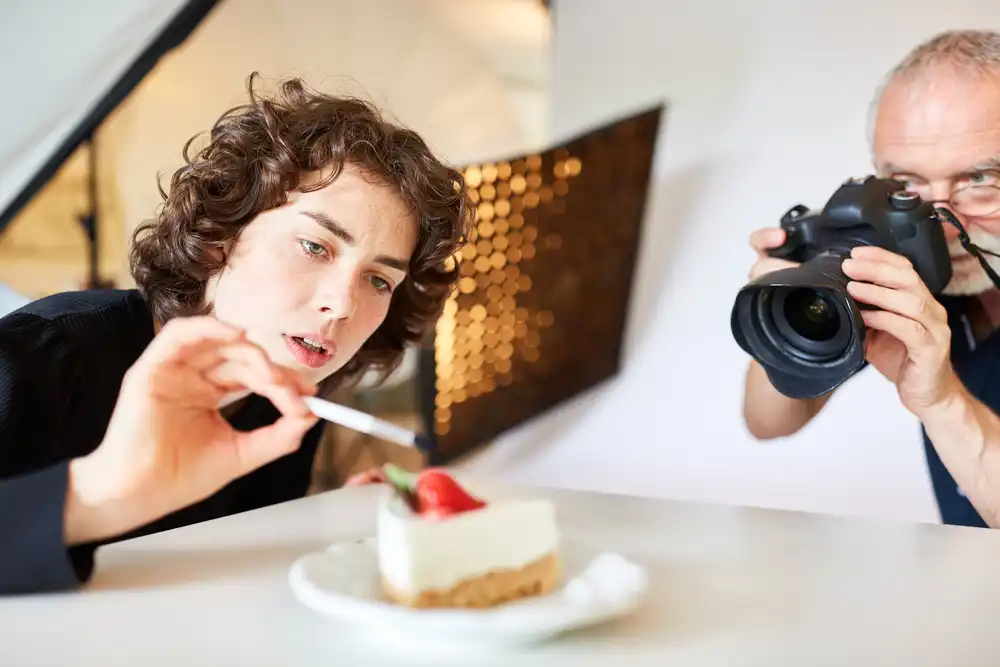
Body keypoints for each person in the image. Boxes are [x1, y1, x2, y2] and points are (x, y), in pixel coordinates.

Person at [0, 73, 472, 595]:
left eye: (379, 280)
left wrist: (322, 527)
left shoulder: (286, 401)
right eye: (315, 247)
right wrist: (96, 496)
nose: (341, 305)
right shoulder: (44, 357)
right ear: (220, 238)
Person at [743, 29, 1000, 528]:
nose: (947, 224)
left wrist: (941, 400)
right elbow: (768, 421)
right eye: (907, 186)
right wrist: (796, 291)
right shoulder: (911, 273)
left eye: (982, 181)